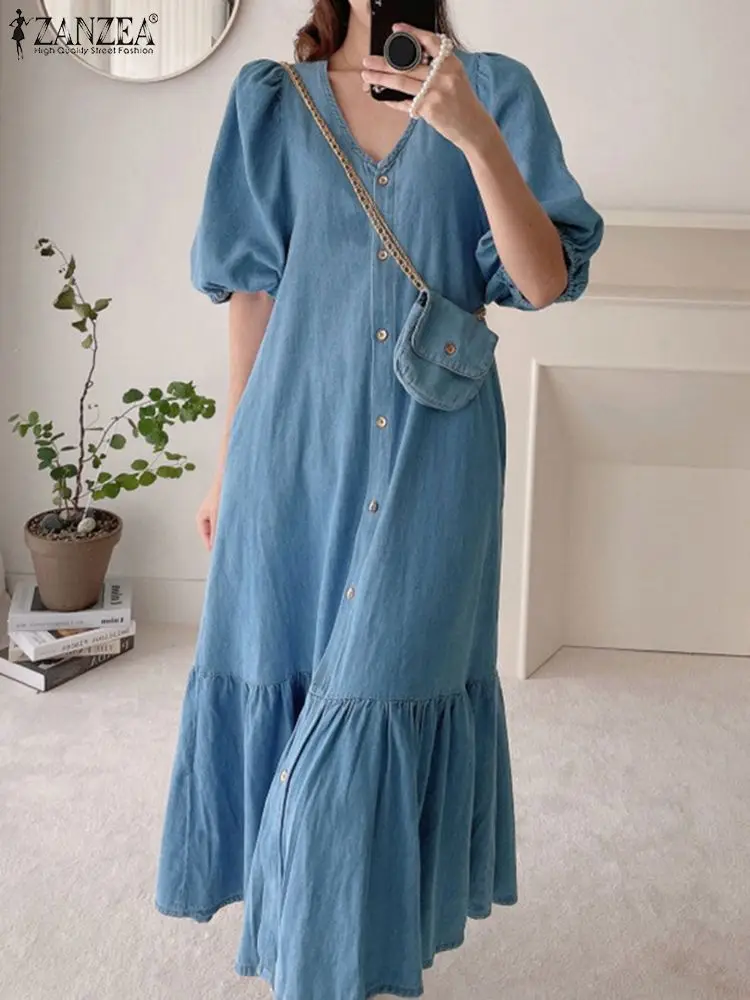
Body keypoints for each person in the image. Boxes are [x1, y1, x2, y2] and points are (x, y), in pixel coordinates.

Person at [155, 2, 604, 999]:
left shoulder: (497, 93)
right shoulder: (272, 102)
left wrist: (472, 134)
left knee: (374, 707)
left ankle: (327, 965)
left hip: (434, 469)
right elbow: (252, 295)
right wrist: (228, 465)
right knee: (292, 686)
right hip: (291, 456)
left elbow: (540, 280)